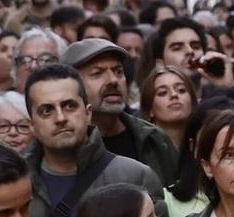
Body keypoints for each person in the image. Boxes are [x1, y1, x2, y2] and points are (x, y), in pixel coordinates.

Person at [24, 64, 167, 217]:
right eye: (47, 110)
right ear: (31, 125)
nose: (60, 118)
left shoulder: (136, 177)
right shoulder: (15, 184)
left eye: (69, 106)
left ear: (88, 113)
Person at [66, 38, 181, 189]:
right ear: (70, 86)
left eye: (118, 71)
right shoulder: (61, 145)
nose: (113, 80)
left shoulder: (154, 140)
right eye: (97, 73)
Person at [140, 63, 196, 162]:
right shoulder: (140, 151)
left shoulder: (206, 146)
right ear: (150, 110)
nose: (174, 95)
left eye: (181, 90)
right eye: (162, 93)